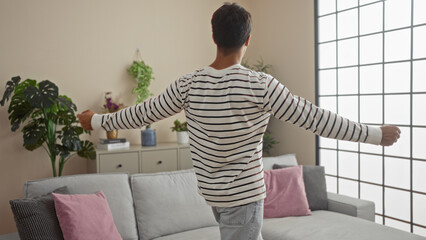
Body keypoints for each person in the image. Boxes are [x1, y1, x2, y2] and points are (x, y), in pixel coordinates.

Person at [77, 3, 401, 240]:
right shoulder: (259, 85)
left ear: (214, 36)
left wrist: (95, 121)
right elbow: (314, 118)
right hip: (244, 199)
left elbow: (141, 113)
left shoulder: (189, 84)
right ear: (248, 40)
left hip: (214, 198)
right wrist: (373, 134)